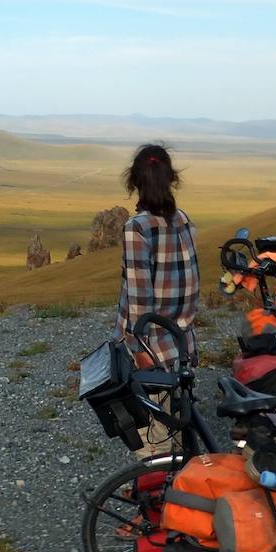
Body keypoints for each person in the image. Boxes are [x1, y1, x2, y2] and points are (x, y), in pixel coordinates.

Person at [115, 143, 200, 458]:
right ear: (171, 180)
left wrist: (138, 349)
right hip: (182, 341)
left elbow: (139, 299)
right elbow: (192, 284)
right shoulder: (184, 220)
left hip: (151, 348)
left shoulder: (137, 228)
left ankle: (158, 494)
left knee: (152, 432)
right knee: (175, 419)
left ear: (135, 181)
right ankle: (179, 484)